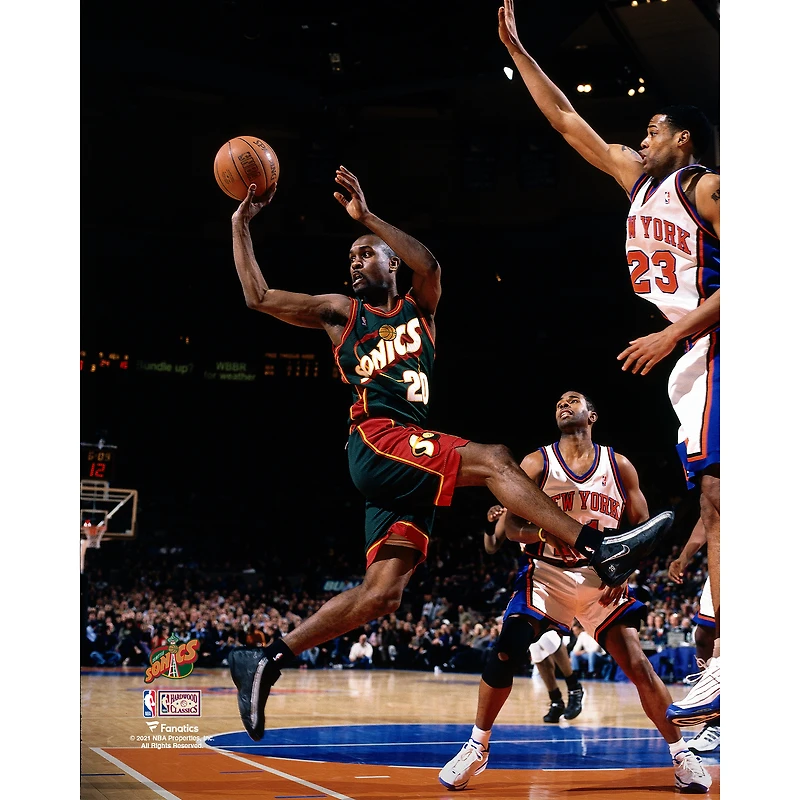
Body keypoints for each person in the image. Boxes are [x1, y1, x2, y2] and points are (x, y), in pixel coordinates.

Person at [226, 166, 673, 742]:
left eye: (365, 254)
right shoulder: (342, 313)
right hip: (378, 438)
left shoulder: (421, 310)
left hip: (406, 458)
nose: (354, 263)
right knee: (495, 459)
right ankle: (596, 546)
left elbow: (431, 265)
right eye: (351, 257)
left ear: (391, 263)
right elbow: (258, 297)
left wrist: (368, 218)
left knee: (382, 595)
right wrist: (240, 225)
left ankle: (265, 660)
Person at [497, 0, 720, 727]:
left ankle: (726, 658)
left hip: (712, 337)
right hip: (690, 350)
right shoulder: (636, 180)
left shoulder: (706, 187)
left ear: (683, 139)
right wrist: (520, 53)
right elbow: (568, 121)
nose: (641, 137)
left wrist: (672, 333)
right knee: (716, 497)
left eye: (654, 129)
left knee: (719, 496)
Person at [438, 391, 711, 793]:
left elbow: (643, 529)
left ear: (591, 415)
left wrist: (624, 570)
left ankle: (681, 755)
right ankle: (477, 746)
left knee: (639, 666)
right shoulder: (537, 462)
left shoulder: (619, 465)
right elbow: (512, 528)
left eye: (573, 400)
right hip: (548, 575)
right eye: (559, 403)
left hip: (600, 582)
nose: (564, 405)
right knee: (507, 647)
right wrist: (545, 532)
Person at [484, 503, 584, 722]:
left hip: (562, 573)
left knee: (549, 638)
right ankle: (556, 699)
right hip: (533, 575)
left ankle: (574, 687)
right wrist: (489, 524)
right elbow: (491, 546)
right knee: (535, 647)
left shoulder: (552, 500)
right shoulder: (513, 508)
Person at [667, 519, 720, 752]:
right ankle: (716, 723)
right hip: (721, 560)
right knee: (703, 635)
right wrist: (685, 556)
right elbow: (708, 517)